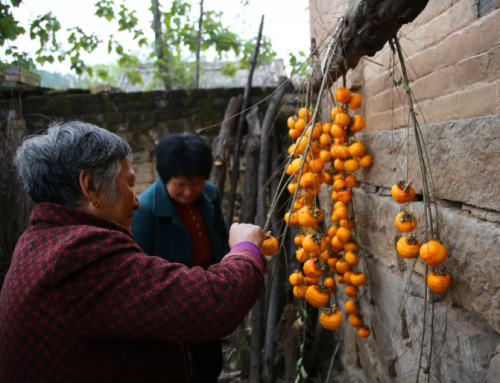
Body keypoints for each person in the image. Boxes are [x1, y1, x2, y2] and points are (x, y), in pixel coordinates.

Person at [0, 122, 266, 383]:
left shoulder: (39, 240)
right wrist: (246, 249)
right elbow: (212, 304)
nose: (136, 200)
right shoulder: (81, 253)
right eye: (128, 184)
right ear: (91, 186)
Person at [131, 133, 228, 383]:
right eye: (180, 184)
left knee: (210, 363)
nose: (189, 191)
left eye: (196, 183)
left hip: (208, 293)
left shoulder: (210, 194)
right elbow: (139, 268)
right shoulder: (144, 211)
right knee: (175, 365)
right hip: (170, 301)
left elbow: (221, 235)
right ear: (165, 178)